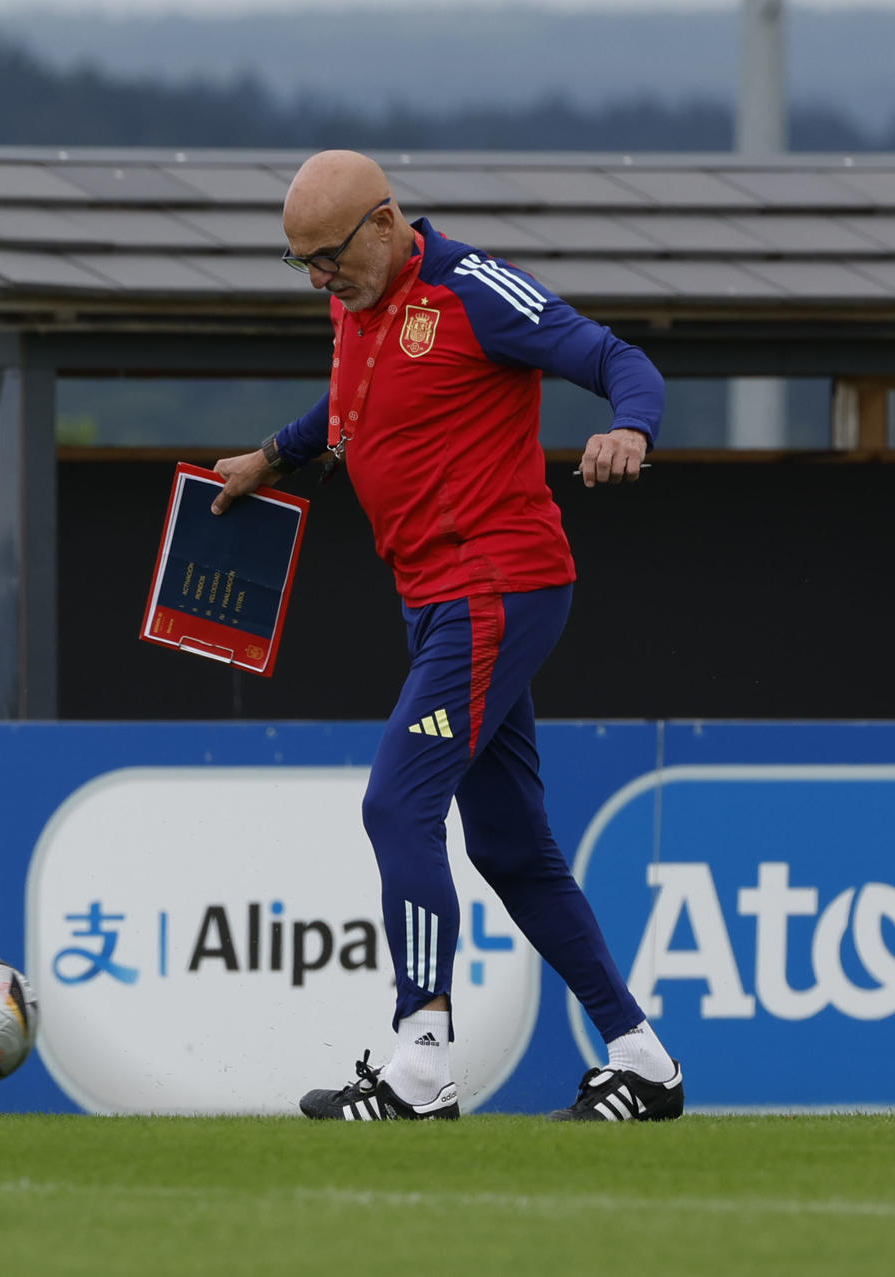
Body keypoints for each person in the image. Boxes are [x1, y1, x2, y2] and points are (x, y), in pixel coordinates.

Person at [211, 150, 682, 1122]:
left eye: (328, 257)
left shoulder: (474, 289)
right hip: (435, 599)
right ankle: (644, 1060)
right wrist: (272, 456)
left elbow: (615, 358)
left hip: (495, 589)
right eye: (300, 261)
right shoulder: (355, 301)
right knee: (512, 847)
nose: (317, 280)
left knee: (397, 802)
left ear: (385, 223)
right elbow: (350, 406)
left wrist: (630, 426)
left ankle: (420, 1058)